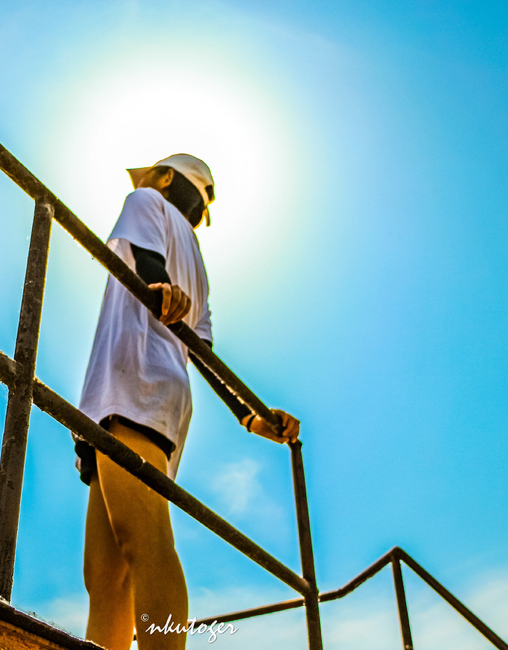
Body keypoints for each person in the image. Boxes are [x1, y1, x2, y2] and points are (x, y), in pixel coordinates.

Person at [75, 154, 300, 650]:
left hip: (134, 382)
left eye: (154, 172)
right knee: (107, 576)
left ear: (166, 179)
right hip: (153, 392)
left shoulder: (146, 200)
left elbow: (143, 257)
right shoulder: (195, 258)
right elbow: (202, 350)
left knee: (145, 544)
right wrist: (248, 416)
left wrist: (156, 284)